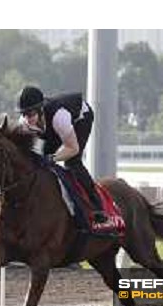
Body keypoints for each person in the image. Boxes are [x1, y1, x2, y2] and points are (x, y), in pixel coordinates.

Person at [16, 85, 108, 223]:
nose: (27, 118)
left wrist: (53, 158)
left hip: (81, 118)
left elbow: (73, 149)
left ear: (40, 109)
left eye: (30, 114)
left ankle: (98, 206)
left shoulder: (60, 117)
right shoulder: (24, 124)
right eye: (23, 114)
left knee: (72, 162)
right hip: (53, 127)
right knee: (39, 161)